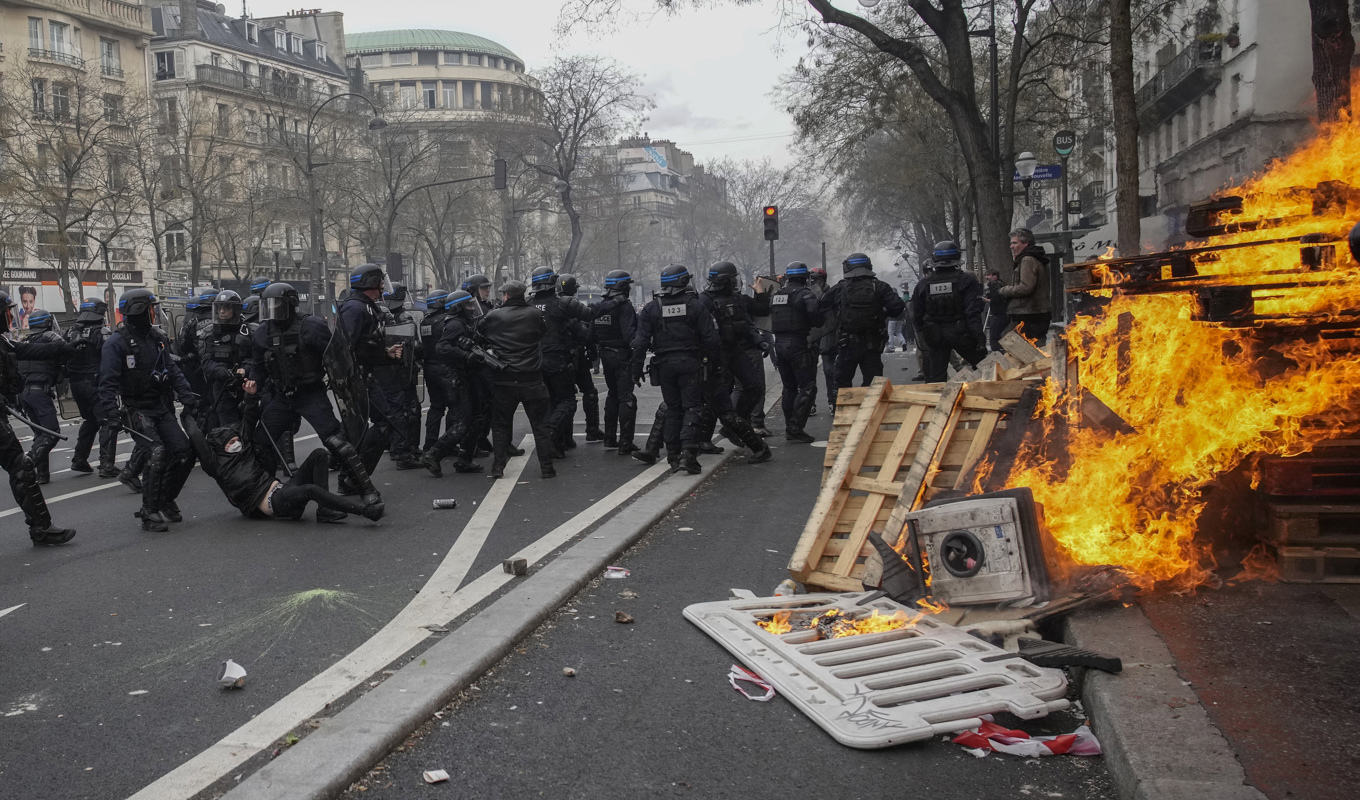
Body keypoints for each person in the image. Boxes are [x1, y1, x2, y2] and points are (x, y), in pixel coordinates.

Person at [250, 280, 383, 507]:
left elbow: (336, 357)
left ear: (291, 305)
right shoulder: (262, 332)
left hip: (310, 395)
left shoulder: (311, 326)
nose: (272, 312)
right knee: (261, 442)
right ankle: (265, 491)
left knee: (337, 443)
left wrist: (345, 385)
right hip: (282, 398)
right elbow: (258, 367)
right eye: (268, 306)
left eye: (277, 305)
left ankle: (366, 489)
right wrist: (251, 384)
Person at [192, 381, 383, 523]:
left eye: (236, 440)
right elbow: (195, 436)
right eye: (230, 443)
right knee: (310, 490)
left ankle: (325, 510)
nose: (236, 444)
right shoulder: (218, 466)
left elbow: (249, 420)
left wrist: (250, 395)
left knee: (319, 454)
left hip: (283, 488)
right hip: (272, 503)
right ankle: (363, 511)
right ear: (220, 448)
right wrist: (189, 411)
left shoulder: (245, 450)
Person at [98, 288, 201, 532]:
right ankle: (148, 512)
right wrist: (112, 414)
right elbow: (107, 384)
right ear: (141, 311)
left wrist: (188, 398)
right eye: (151, 308)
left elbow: (172, 370)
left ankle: (165, 497)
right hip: (136, 409)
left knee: (185, 451)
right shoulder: (116, 343)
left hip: (159, 406)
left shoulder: (157, 338)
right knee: (157, 453)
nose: (155, 313)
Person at [0, 292, 76, 545]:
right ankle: (42, 529)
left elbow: (26, 349)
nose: (10, 316)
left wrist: (63, 347)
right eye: (7, 311)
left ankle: (41, 528)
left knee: (21, 467)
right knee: (20, 467)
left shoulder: (2, 342)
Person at [632, 264, 724, 474]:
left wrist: (636, 369)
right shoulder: (696, 306)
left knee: (673, 409)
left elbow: (640, 342)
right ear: (684, 282)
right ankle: (688, 456)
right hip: (690, 362)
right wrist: (717, 365)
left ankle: (673, 455)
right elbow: (711, 339)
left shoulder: (651, 308)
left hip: (664, 365)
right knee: (692, 408)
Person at [480, 279, 558, 479]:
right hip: (532, 378)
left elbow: (479, 332)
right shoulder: (535, 314)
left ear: (506, 296)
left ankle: (498, 467)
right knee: (541, 425)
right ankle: (547, 468)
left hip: (504, 378)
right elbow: (543, 333)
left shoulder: (494, 316)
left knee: (500, 425)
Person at [527, 267, 598, 457]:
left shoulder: (527, 304)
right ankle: (551, 435)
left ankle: (557, 446)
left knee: (550, 402)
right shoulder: (563, 304)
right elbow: (589, 316)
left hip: (534, 361)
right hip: (557, 360)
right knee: (567, 401)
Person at [422, 290, 494, 476]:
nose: (472, 307)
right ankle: (434, 454)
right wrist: (466, 355)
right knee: (463, 422)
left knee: (477, 418)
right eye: (469, 304)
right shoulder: (455, 324)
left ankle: (464, 459)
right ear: (458, 307)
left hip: (470, 376)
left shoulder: (465, 323)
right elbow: (442, 347)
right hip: (460, 378)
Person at [819, 253, 906, 396]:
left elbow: (820, 308)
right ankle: (870, 415)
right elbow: (897, 307)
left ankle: (842, 415)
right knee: (873, 387)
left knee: (842, 386)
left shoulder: (840, 288)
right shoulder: (879, 286)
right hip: (872, 343)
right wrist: (881, 313)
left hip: (847, 344)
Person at [911, 241, 987, 382]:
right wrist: (979, 337)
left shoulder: (923, 284)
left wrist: (924, 334)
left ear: (934, 259)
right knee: (986, 370)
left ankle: (939, 402)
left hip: (935, 335)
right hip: (962, 333)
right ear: (957, 257)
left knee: (936, 379)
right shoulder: (967, 281)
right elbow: (973, 312)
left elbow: (916, 314)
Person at [770, 262, 825, 443]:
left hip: (780, 344)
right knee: (808, 387)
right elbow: (817, 319)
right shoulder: (806, 294)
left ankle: (789, 425)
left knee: (789, 387)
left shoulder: (777, 295)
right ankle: (795, 428)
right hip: (798, 344)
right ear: (805, 277)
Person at [64, 298, 118, 478]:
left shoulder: (70, 332)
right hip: (96, 383)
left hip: (75, 384)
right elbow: (111, 357)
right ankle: (106, 464)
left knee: (91, 420)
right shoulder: (101, 332)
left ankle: (79, 459)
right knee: (108, 421)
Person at [370, 282, 421, 470]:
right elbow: (411, 346)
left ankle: (395, 447)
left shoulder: (373, 315)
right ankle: (403, 451)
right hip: (396, 372)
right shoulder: (398, 317)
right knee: (403, 412)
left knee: (384, 413)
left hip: (379, 374)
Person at [16, 309, 69, 483]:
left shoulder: (24, 341)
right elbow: (65, 351)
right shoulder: (50, 338)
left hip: (24, 394)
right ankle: (29, 462)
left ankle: (42, 474)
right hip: (39, 392)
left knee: (41, 434)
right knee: (52, 432)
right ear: (47, 323)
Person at [590, 269, 639, 454]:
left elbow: (592, 334)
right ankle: (625, 443)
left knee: (612, 395)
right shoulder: (624, 306)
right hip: (621, 355)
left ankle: (610, 438)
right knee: (626, 398)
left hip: (605, 355)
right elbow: (629, 336)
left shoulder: (602, 306)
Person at [558, 274, 604, 443]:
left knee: (566, 397)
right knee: (584, 394)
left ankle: (567, 437)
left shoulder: (555, 305)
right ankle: (589, 431)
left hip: (565, 357)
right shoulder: (568, 308)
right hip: (572, 356)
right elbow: (583, 332)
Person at [198, 290, 251, 426]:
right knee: (229, 429)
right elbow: (206, 362)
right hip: (222, 388)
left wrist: (244, 370)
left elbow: (257, 359)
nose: (221, 311)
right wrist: (223, 372)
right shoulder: (209, 333)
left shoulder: (249, 331)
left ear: (235, 309)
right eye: (219, 307)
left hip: (247, 386)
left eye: (226, 307)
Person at [999, 227, 1052, 345]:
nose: (1011, 247)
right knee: (1033, 351)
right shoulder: (1036, 258)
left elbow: (1026, 287)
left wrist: (1004, 290)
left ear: (1025, 243)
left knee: (1017, 348)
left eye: (1014, 243)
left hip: (1029, 315)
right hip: (1035, 313)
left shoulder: (1027, 260)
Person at [418, 289, 453, 452]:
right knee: (454, 406)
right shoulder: (445, 321)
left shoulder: (425, 321)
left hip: (429, 367)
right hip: (445, 367)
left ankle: (429, 443)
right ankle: (448, 444)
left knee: (436, 406)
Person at [807, 264, 837, 411]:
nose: (815, 282)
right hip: (812, 334)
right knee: (810, 372)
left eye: (817, 279)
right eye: (812, 279)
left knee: (829, 370)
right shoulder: (806, 293)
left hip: (827, 333)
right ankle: (810, 402)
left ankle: (832, 400)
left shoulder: (830, 293)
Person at [984, 269, 1009, 352]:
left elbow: (996, 299)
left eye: (989, 275)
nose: (987, 277)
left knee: (994, 337)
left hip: (999, 313)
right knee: (997, 335)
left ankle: (997, 355)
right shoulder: (1001, 284)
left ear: (995, 276)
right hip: (1004, 313)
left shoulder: (994, 285)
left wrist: (988, 300)